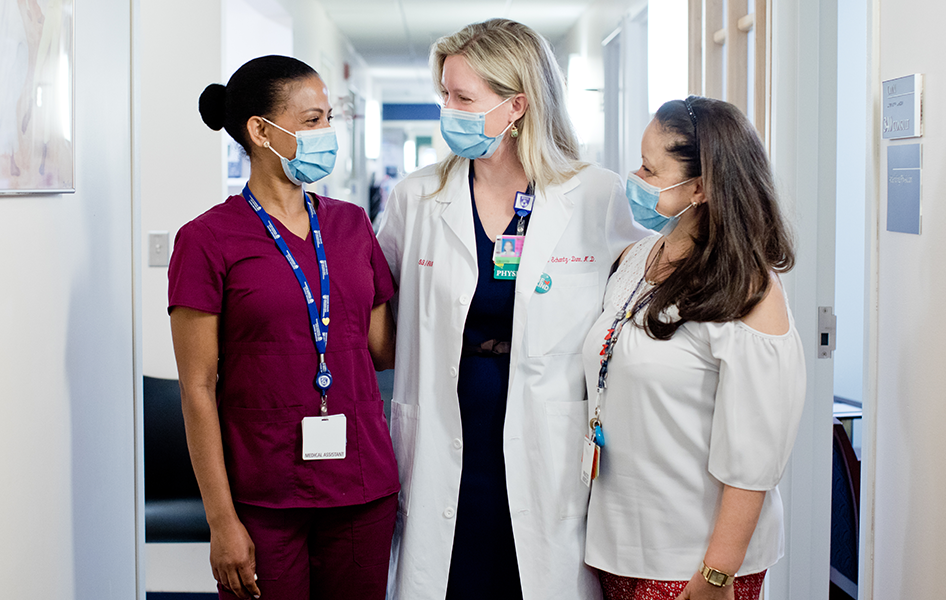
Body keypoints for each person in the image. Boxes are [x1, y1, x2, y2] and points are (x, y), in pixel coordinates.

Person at [376, 18, 647, 600]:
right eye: (443, 95)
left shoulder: (593, 193)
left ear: (517, 105)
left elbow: (636, 307)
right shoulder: (417, 197)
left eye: (463, 98)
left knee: (531, 576)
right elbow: (377, 304)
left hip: (548, 438)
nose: (447, 109)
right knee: (451, 577)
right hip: (445, 431)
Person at [169, 55, 398, 600]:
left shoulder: (351, 225)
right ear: (261, 130)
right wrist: (222, 522)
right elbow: (197, 389)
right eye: (313, 120)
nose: (327, 134)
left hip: (360, 488)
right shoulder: (206, 239)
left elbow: (381, 349)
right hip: (263, 497)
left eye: (328, 119)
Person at [581, 96, 807, 600]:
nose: (633, 179)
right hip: (617, 546)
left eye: (649, 169)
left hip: (692, 563)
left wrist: (716, 574)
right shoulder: (641, 256)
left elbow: (756, 457)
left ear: (700, 188)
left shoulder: (748, 290)